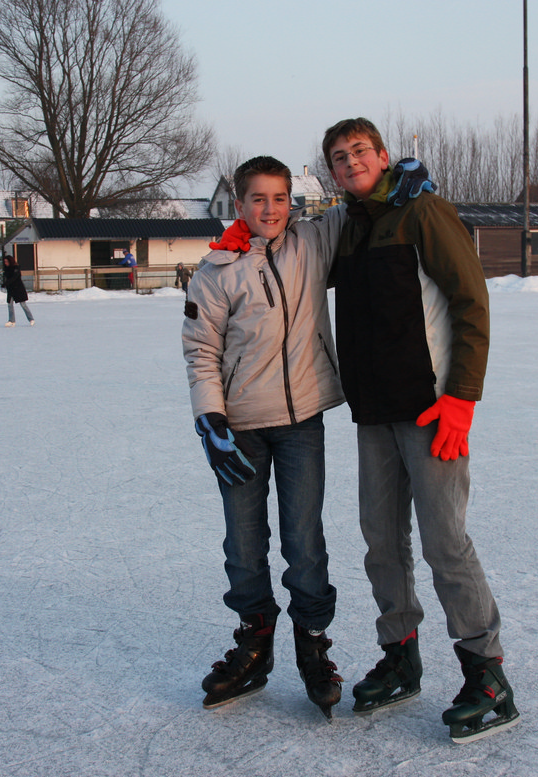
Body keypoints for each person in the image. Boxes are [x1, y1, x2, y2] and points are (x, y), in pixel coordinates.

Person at [321, 117, 518, 743]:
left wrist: (462, 397)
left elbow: (471, 302)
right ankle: (400, 656)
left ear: (383, 155)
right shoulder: (349, 226)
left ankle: (486, 671)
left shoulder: (424, 212)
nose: (350, 162)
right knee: (381, 541)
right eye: (338, 156)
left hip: (431, 410)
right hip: (374, 412)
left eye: (359, 151)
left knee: (444, 541)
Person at [182, 155, 348, 718]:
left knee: (304, 541)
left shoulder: (312, 242)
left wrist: (402, 177)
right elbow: (201, 350)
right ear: (239, 203)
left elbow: (363, 202)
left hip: (302, 422)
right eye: (259, 199)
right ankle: (254, 642)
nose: (271, 209)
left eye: (280, 198)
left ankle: (312, 645)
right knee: (244, 545)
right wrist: (210, 419)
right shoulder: (216, 269)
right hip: (241, 429)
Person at [1, 253, 35, 326]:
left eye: (6, 261)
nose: (5, 263)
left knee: (23, 305)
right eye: (4, 262)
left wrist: (6, 283)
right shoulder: (6, 269)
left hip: (18, 289)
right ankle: (11, 320)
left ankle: (31, 319)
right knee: (10, 305)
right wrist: (5, 284)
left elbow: (14, 278)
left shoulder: (16, 268)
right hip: (10, 290)